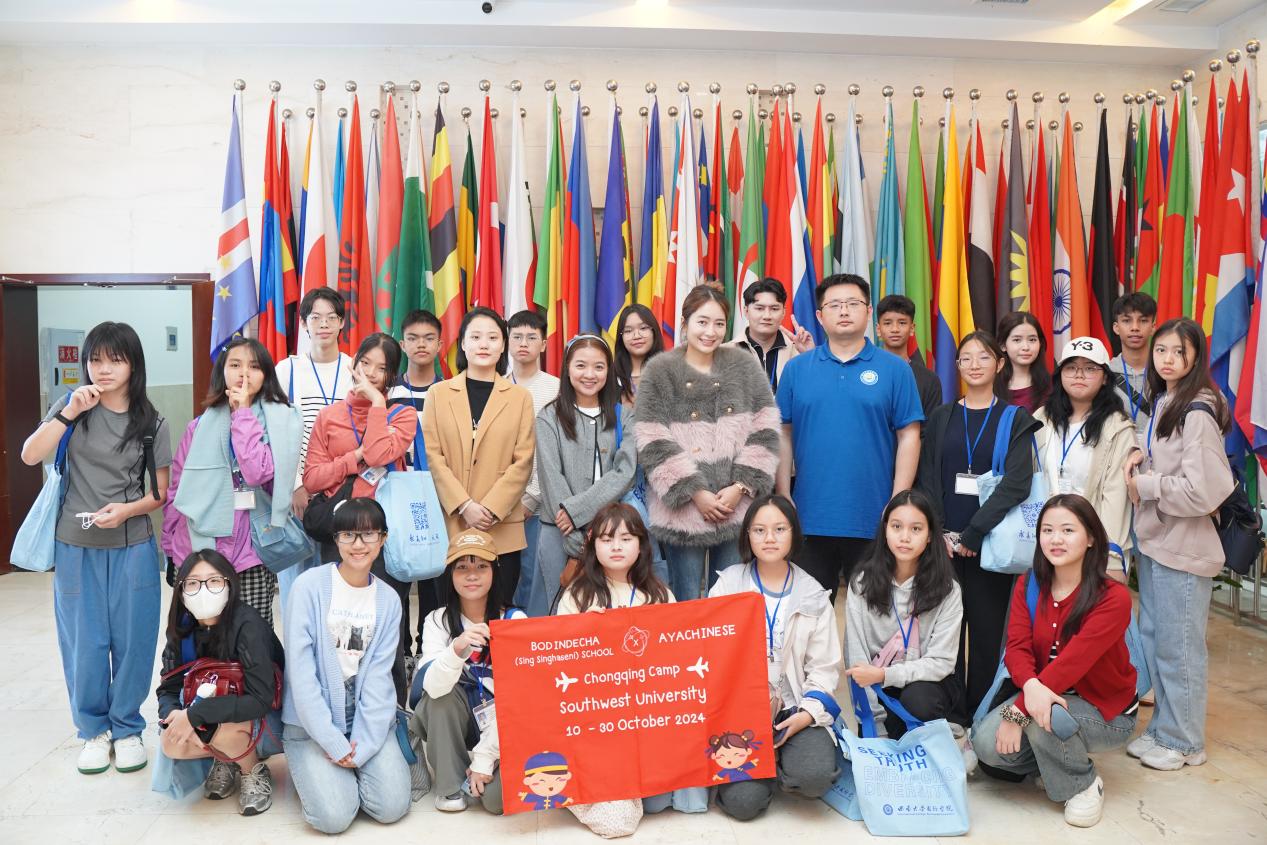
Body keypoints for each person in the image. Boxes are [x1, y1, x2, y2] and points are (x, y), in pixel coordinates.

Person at [21, 321, 172, 776]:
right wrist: (68, 413)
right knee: (83, 642)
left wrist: (126, 511)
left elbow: (159, 493)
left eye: (115, 360)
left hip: (132, 546)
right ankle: (93, 731)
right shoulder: (70, 407)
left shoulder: (152, 421)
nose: (103, 369)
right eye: (96, 359)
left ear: (133, 365)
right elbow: (30, 455)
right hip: (75, 545)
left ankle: (127, 728)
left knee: (133, 639)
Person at [972, 495, 1138, 829]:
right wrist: (1031, 690)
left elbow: (1072, 664)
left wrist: (1018, 711)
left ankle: (1083, 784)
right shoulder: (1030, 584)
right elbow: (1016, 649)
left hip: (1105, 710)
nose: (1055, 539)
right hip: (1040, 694)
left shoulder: (1113, 597)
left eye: (1067, 530)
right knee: (987, 746)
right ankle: (1053, 763)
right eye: (1047, 530)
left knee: (1043, 717)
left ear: (1090, 538)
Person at [1124, 317, 1234, 771]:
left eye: (1178, 351)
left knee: (1180, 647)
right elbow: (1157, 448)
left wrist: (1146, 485)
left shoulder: (1198, 410)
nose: (1167, 359)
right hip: (1157, 541)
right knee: (1157, 640)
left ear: (1195, 358)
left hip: (1184, 547)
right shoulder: (1165, 399)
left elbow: (1204, 491)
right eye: (1161, 350)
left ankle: (1185, 742)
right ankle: (1165, 728)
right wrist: (1137, 452)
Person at [776, 274, 924, 602]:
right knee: (808, 615)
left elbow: (909, 436)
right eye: (834, 305)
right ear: (820, 316)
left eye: (853, 303)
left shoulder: (896, 369)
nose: (844, 311)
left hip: (875, 515)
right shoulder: (797, 370)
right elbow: (782, 433)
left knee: (874, 613)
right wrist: (784, 493)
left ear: (868, 311)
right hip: (810, 515)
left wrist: (897, 501)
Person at [916, 330, 1040, 715]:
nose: (974, 365)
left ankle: (982, 716)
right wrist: (940, 531)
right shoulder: (942, 417)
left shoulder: (1014, 419)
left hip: (990, 544)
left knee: (987, 636)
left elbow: (1018, 482)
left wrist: (973, 533)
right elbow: (928, 476)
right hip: (944, 546)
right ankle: (951, 714)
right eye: (966, 358)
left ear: (1000, 364)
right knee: (946, 634)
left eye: (983, 357)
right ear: (957, 366)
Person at [634, 285, 780, 600]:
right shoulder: (660, 370)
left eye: (718, 323)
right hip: (683, 512)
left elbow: (766, 428)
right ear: (684, 323)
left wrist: (741, 487)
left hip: (735, 507)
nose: (710, 332)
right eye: (702, 322)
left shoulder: (744, 366)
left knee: (729, 598)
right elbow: (651, 437)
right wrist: (695, 492)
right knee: (686, 599)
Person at [707, 494, 841, 821]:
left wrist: (807, 715)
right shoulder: (727, 585)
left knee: (814, 778)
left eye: (780, 529)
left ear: (793, 533)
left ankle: (781, 761)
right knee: (743, 804)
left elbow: (824, 669)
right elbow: (710, 656)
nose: (769, 538)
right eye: (759, 530)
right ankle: (763, 768)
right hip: (740, 713)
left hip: (794, 706)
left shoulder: (813, 594)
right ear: (747, 535)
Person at [282, 498, 411, 834]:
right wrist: (332, 741)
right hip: (311, 721)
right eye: (348, 535)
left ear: (382, 539)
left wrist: (363, 746)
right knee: (334, 818)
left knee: (393, 807)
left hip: (364, 714)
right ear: (336, 539)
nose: (358, 544)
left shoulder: (388, 599)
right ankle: (322, 775)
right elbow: (301, 675)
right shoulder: (308, 586)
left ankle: (346, 774)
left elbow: (380, 678)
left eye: (368, 535)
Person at [303, 332, 418, 703]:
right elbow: (313, 479)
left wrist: (378, 403)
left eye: (380, 369)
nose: (369, 373)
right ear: (353, 363)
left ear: (391, 377)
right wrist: (352, 460)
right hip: (339, 533)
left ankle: (392, 713)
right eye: (364, 363)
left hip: (383, 537)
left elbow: (381, 454)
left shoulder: (402, 415)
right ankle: (339, 707)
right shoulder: (329, 417)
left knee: (385, 629)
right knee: (339, 627)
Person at [163, 337, 302, 626]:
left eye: (254, 366)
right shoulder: (198, 427)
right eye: (235, 365)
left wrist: (243, 413)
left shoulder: (283, 422)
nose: (244, 373)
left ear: (266, 374)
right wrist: (170, 549)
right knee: (202, 637)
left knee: (252, 636)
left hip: (251, 551)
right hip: (200, 547)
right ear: (222, 371)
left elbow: (257, 472)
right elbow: (177, 490)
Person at [156, 549, 285, 815]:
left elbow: (261, 699)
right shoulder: (182, 628)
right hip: (211, 714)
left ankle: (252, 769)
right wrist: (172, 715)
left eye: (214, 581)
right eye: (193, 583)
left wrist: (195, 715)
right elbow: (168, 686)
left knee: (221, 731)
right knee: (171, 741)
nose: (203, 590)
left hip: (267, 720)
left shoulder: (247, 625)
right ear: (181, 590)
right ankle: (226, 758)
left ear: (229, 584)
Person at [423, 307, 536, 602]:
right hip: (451, 522)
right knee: (451, 612)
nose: (483, 344)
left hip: (501, 525)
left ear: (503, 345)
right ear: (462, 343)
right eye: (475, 337)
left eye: (492, 337)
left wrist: (489, 508)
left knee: (498, 611)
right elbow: (433, 456)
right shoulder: (438, 394)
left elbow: (523, 460)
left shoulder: (520, 397)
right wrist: (464, 505)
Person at [410, 529, 525, 814]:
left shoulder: (515, 620)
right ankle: (449, 786)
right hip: (458, 716)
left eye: (481, 567)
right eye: (462, 567)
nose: (472, 575)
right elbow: (432, 688)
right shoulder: (437, 620)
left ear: (495, 571)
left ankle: (485, 767)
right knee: (440, 699)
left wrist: (485, 759)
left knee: (496, 803)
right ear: (450, 574)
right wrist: (456, 650)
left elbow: (521, 702)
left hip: (502, 725)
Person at [844, 490, 964, 739]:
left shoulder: (947, 590)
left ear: (929, 536)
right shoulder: (861, 584)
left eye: (916, 529)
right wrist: (874, 724)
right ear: (885, 530)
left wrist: (887, 675)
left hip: (926, 686)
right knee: (881, 735)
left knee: (918, 701)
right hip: (876, 687)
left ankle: (935, 732)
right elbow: (856, 659)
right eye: (896, 526)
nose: (905, 537)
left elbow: (942, 662)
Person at [532, 336, 638, 616]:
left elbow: (625, 472)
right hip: (558, 531)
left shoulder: (624, 416)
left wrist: (575, 511)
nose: (590, 374)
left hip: (613, 532)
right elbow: (550, 477)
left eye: (599, 367)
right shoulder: (549, 417)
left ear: (609, 370)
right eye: (581, 365)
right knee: (558, 612)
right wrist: (573, 534)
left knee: (610, 611)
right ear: (567, 368)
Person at [274, 289, 355, 603]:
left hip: (342, 491)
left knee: (338, 586)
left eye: (331, 317)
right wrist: (296, 484)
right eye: (315, 317)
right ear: (304, 323)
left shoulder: (354, 370)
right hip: (299, 494)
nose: (323, 324)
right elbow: (277, 433)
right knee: (297, 586)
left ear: (342, 322)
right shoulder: (287, 370)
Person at [1033, 337, 1136, 581]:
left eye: (1090, 368)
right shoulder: (1041, 419)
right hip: (1046, 542)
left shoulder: (1117, 427)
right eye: (1071, 367)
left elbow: (1116, 497)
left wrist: (1112, 555)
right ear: (1060, 375)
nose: (1079, 375)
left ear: (1105, 378)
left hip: (1092, 544)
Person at [387, 308, 445, 656]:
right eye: (413, 338)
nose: (421, 344)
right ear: (402, 344)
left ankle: (428, 650)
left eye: (428, 338)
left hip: (436, 496)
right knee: (395, 577)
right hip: (396, 496)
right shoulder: (388, 391)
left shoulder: (449, 391)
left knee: (434, 580)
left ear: (440, 344)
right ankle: (401, 655)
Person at [506, 309, 561, 611]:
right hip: (500, 503)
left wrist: (532, 497)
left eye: (531, 337)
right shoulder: (496, 385)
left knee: (534, 579)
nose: (523, 343)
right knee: (506, 581)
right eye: (517, 337)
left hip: (540, 505)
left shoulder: (556, 388)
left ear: (543, 344)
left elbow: (555, 450)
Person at [729, 277, 814, 392]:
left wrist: (810, 357)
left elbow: (818, 393)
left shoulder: (800, 352)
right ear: (746, 311)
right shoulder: (724, 353)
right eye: (759, 308)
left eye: (774, 309)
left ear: (783, 312)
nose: (767, 316)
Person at [875, 293, 944, 421]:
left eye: (902, 323)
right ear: (878, 329)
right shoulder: (865, 373)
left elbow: (931, 428)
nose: (895, 329)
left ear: (912, 329)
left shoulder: (929, 379)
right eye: (888, 323)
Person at [1108, 291, 1157, 438]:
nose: (1135, 327)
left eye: (1143, 320)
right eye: (1127, 320)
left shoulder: (1166, 372)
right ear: (1116, 328)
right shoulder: (1105, 374)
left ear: (1153, 327)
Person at [997, 311, 1052, 413]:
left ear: (1040, 343)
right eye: (1017, 340)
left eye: (1032, 340)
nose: (1026, 347)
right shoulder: (990, 385)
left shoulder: (1053, 386)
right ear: (1003, 345)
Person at [613, 303, 664, 405]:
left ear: (654, 331)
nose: (636, 336)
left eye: (643, 328)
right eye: (628, 331)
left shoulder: (670, 373)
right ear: (621, 337)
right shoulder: (609, 377)